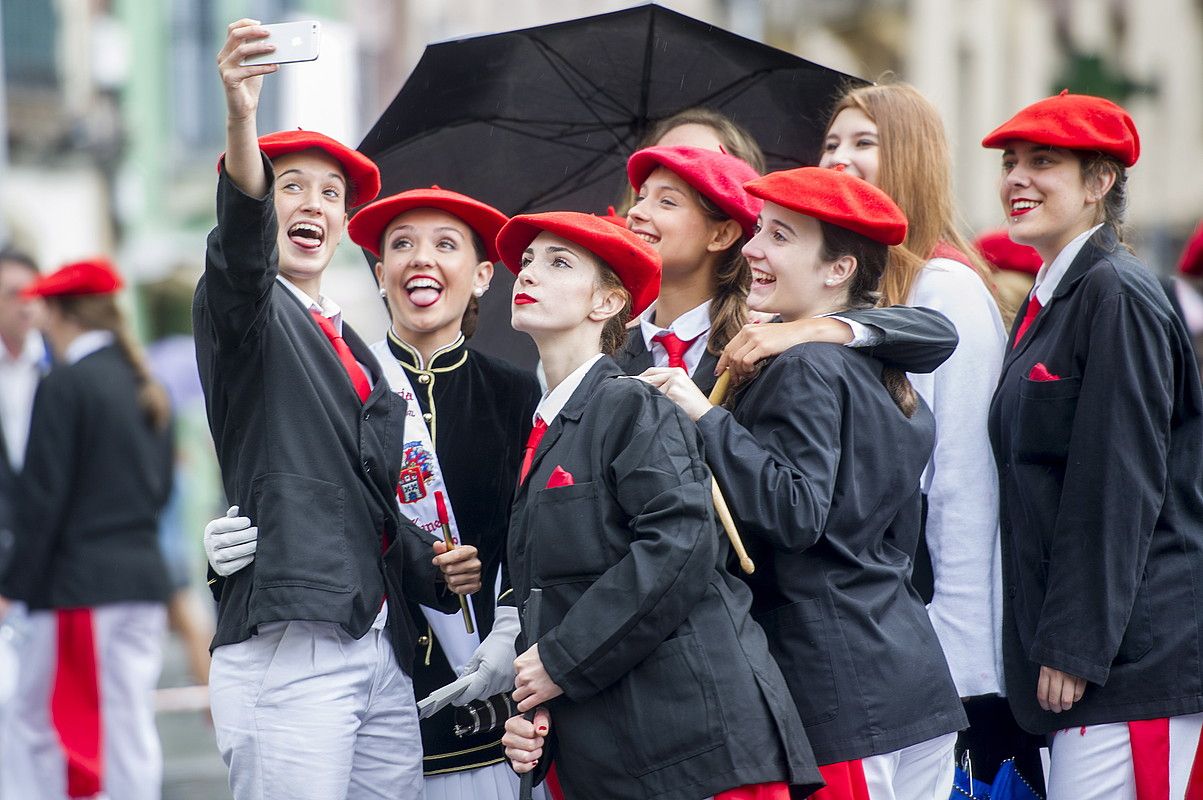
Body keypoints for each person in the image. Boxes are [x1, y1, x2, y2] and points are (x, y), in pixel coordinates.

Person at [196, 20, 480, 800]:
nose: (312, 204)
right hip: (291, 643)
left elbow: (370, 499)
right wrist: (241, 114)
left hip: (372, 639)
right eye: (292, 187)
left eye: (331, 193)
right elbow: (242, 242)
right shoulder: (246, 304)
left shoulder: (353, 341)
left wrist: (436, 564)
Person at [713, 82, 1019, 783]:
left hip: (866, 667)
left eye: (863, 144)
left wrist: (967, 663)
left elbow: (959, 492)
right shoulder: (848, 321)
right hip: (896, 658)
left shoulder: (929, 292)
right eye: (829, 144)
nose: (840, 160)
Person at [646, 166, 967, 799]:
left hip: (838, 689)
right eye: (759, 230)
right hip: (909, 671)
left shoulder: (807, 366)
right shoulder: (873, 360)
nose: (752, 250)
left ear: (839, 269)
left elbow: (796, 512)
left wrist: (704, 416)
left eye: (780, 236)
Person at [496, 212, 822, 799]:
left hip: (693, 754)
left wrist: (560, 661)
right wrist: (533, 713)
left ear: (607, 303)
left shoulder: (628, 404)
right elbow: (552, 593)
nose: (530, 273)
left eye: (558, 262)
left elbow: (682, 544)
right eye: (526, 262)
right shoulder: (546, 426)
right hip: (613, 756)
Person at [983, 91, 1203, 798]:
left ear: (1099, 182)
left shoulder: (1117, 292)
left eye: (1041, 162)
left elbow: (1116, 482)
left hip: (1135, 664)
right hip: (1091, 669)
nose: (1016, 179)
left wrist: (1072, 646)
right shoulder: (1053, 297)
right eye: (1010, 163)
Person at [350, 188, 542, 798]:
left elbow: (535, 531)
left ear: (483, 275)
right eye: (401, 245)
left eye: (444, 244)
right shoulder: (345, 385)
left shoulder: (519, 394)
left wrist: (502, 602)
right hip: (371, 678)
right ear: (381, 275)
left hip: (486, 685)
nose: (420, 259)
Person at [0, 258, 174, 800]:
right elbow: (161, 493)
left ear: (58, 312)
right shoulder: (146, 385)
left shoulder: (66, 385)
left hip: (82, 591)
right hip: (143, 585)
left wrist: (11, 587)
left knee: (60, 726)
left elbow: (42, 502)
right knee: (126, 723)